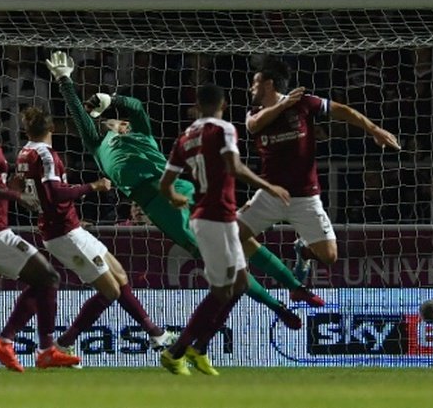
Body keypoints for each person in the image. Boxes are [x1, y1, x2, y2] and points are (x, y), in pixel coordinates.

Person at [43, 51, 321, 331]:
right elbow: (80, 116)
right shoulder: (98, 145)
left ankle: (296, 286)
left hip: (182, 188)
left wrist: (112, 100)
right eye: (108, 122)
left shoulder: (141, 131)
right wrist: (65, 80)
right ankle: (279, 307)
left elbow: (136, 106)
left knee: (239, 238)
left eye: (116, 120)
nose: (112, 124)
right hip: (157, 204)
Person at [14, 106, 176, 361]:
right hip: (64, 233)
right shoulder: (45, 155)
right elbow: (55, 193)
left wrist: (45, 210)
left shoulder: (24, 153)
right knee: (110, 291)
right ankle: (63, 344)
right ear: (53, 128)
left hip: (67, 227)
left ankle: (156, 334)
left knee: (120, 274)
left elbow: (24, 190)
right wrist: (94, 186)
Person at [158, 83, 291, 376]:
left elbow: (164, 184)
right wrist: (269, 186)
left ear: (197, 105)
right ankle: (175, 351)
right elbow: (234, 166)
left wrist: (174, 197)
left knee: (240, 284)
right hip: (214, 217)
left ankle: (199, 348)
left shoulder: (185, 137)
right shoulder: (223, 129)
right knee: (221, 291)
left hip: (217, 216)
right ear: (224, 103)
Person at [241, 58, 400, 284]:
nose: (250, 88)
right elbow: (253, 126)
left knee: (330, 256)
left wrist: (374, 129)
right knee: (229, 238)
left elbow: (342, 110)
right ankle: (253, 281)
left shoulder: (304, 103)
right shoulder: (255, 113)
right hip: (269, 196)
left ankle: (303, 251)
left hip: (305, 198)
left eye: (255, 83)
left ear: (268, 84)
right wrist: (283, 105)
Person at [0, 95, 78, 372]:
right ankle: (44, 349)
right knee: (49, 276)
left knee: (43, 280)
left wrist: (10, 184)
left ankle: (8, 341)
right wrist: (14, 195)